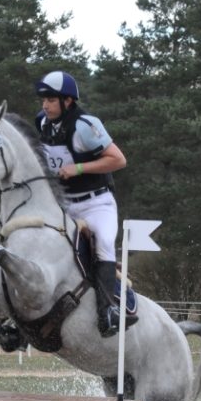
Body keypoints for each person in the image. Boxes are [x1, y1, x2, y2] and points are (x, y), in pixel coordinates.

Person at [34, 70, 129, 337]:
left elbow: (119, 160)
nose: (44, 105)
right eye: (43, 100)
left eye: (50, 100)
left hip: (96, 203)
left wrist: (78, 168)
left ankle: (108, 311)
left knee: (104, 243)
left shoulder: (86, 125)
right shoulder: (43, 123)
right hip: (63, 204)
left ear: (68, 101)